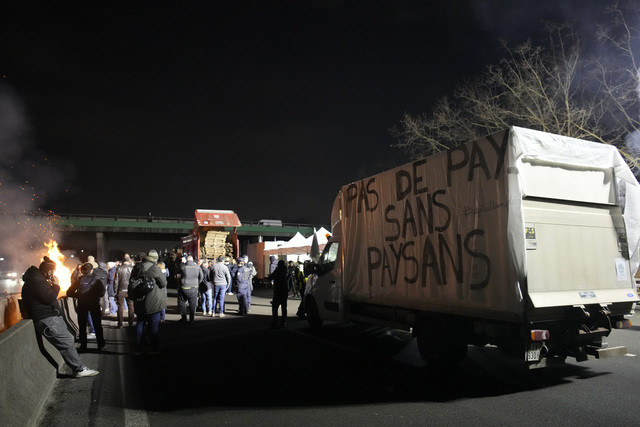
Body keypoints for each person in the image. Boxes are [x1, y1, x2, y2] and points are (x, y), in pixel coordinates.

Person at [21, 256, 99, 378]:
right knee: (66, 343)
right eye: (53, 271)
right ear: (49, 271)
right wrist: (56, 286)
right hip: (47, 319)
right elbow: (48, 298)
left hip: (48, 317)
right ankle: (78, 369)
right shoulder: (38, 281)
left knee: (67, 340)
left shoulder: (36, 279)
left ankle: (78, 368)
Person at [130, 250, 167, 355]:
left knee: (140, 324)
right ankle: (153, 349)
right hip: (153, 302)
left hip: (139, 301)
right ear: (155, 259)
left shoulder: (137, 268)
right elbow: (163, 283)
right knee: (153, 326)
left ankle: (138, 348)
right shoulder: (155, 268)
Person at [67, 262, 106, 352]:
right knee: (97, 325)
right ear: (91, 270)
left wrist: (79, 295)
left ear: (82, 271)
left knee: (82, 325)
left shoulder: (79, 279)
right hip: (94, 304)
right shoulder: (97, 279)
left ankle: (83, 345)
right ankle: (100, 344)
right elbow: (102, 293)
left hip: (82, 304)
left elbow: (69, 292)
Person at [268, 260, 294, 328]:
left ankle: (275, 322)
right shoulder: (287, 271)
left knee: (275, 307)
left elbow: (270, 277)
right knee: (284, 307)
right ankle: (283, 322)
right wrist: (288, 289)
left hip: (278, 291)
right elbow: (291, 282)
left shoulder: (277, 270)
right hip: (284, 291)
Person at [178, 255, 203, 323]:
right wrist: (197, 283)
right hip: (194, 287)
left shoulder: (183, 266)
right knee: (193, 303)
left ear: (187, 260)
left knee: (182, 302)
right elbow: (201, 276)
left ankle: (184, 317)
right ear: (192, 260)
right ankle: (191, 318)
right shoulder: (197, 267)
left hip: (184, 286)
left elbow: (178, 275)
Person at [114, 254, 134, 328]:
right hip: (130, 290)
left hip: (121, 290)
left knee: (120, 307)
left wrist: (115, 292)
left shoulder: (119, 268)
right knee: (131, 306)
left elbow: (116, 281)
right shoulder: (132, 268)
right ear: (129, 260)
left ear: (123, 260)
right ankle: (131, 323)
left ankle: (120, 324)